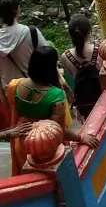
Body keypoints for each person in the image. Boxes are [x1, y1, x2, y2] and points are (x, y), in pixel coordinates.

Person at [2, 46, 99, 175]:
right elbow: (58, 130)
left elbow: (9, 106)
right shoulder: (55, 95)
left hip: (22, 141)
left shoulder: (15, 85)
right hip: (46, 144)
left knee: (28, 175)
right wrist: (81, 138)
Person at [0, 0, 46, 90]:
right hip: (35, 90)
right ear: (17, 9)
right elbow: (48, 59)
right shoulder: (31, 32)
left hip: (10, 94)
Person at [59, 15, 99, 95]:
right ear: (89, 32)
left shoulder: (65, 56)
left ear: (71, 35)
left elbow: (71, 75)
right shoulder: (100, 50)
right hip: (102, 93)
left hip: (82, 97)